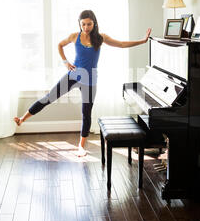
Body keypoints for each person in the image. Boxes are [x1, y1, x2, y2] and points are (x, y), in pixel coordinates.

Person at [14, 10, 151, 157]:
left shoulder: (100, 37)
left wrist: (142, 41)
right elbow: (60, 45)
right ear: (79, 24)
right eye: (83, 24)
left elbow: (122, 44)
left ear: (94, 23)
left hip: (90, 80)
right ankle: (22, 119)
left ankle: (81, 146)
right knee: (48, 97)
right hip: (73, 75)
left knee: (86, 113)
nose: (86, 27)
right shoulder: (75, 36)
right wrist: (66, 62)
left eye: (89, 24)